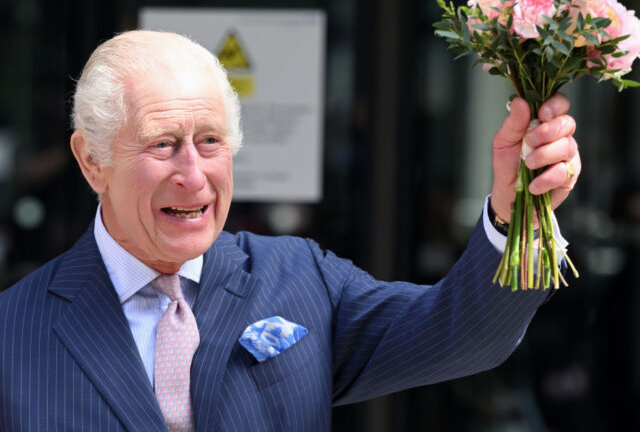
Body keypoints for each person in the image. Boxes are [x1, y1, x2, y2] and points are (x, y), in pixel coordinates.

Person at [0, 30, 580, 431]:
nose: (193, 174)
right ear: (92, 161)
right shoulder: (14, 332)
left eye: (210, 141)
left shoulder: (301, 278)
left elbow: (463, 334)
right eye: (162, 144)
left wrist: (515, 215)